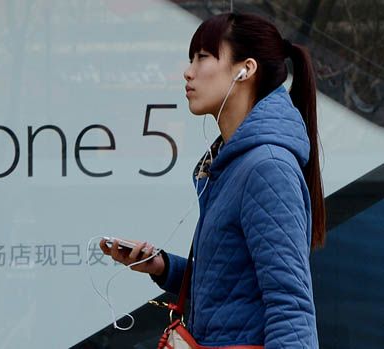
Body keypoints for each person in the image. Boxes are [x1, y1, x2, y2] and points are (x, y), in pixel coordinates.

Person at [100, 12, 325, 348]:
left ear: (245, 69)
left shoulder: (266, 167)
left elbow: (290, 307)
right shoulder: (234, 163)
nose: (188, 72)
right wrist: (164, 268)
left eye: (203, 57)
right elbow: (232, 288)